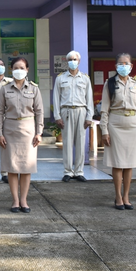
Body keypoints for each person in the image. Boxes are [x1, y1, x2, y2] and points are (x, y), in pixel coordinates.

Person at [0, 57, 43, 213]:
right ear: (11, 70)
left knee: (26, 166)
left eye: (22, 68)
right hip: (10, 130)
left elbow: (39, 111)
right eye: (16, 68)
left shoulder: (34, 89)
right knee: (12, 167)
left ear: (27, 70)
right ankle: (15, 200)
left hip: (28, 131)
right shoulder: (5, 89)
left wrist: (39, 132)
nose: (19, 70)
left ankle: (24, 200)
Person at [100, 54, 136, 210]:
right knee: (117, 163)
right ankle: (118, 196)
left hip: (133, 125)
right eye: (120, 64)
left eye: (126, 63)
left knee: (130, 164)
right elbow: (105, 110)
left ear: (131, 66)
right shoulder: (110, 83)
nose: (123, 66)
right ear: (116, 67)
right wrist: (104, 130)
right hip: (116, 124)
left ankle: (126, 195)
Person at [52, 50, 94, 182]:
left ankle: (79, 171)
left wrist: (89, 117)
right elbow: (56, 98)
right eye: (70, 59)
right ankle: (68, 171)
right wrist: (57, 116)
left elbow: (90, 99)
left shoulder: (85, 79)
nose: (73, 62)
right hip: (66, 111)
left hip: (81, 111)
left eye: (75, 59)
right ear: (67, 61)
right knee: (67, 142)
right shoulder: (60, 78)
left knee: (81, 142)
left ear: (79, 61)